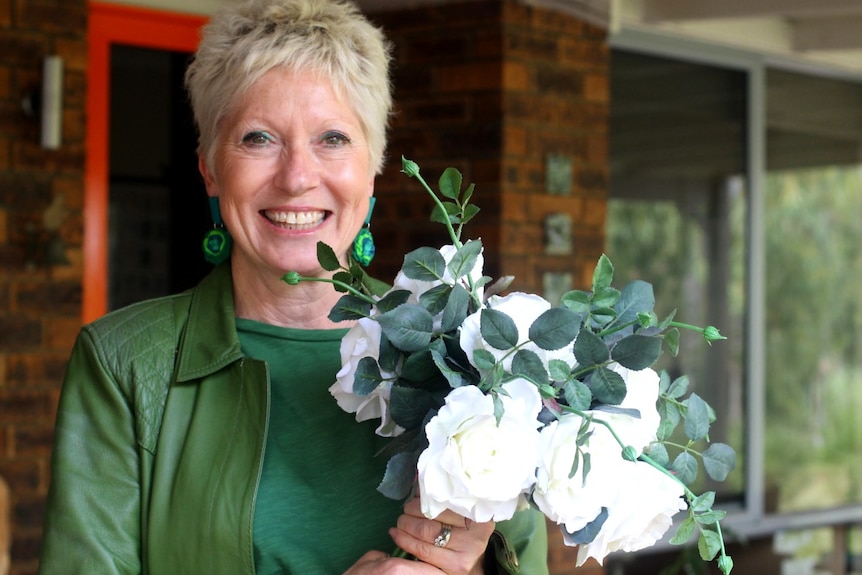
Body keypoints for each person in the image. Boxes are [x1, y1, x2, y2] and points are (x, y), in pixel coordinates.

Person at [37, 0, 549, 574]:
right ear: (209, 167)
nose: (297, 176)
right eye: (258, 138)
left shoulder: (475, 353)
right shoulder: (124, 365)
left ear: (373, 166)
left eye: (332, 138)